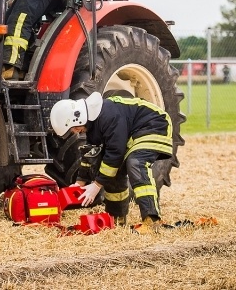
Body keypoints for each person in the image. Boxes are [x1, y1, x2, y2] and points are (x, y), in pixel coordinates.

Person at [49, 91, 174, 234]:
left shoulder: (108, 116)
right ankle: (116, 218)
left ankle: (151, 221)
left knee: (135, 163)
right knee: (113, 171)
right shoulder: (92, 126)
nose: (75, 132)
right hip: (135, 132)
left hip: (155, 124)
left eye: (72, 128)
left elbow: (115, 153)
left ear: (77, 118)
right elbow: (91, 156)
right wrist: (80, 183)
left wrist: (96, 186)